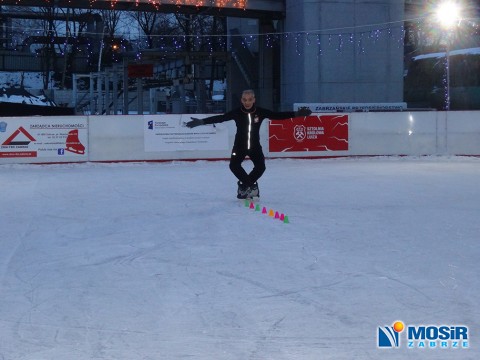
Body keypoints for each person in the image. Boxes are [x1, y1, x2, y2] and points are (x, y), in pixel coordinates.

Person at [186, 89, 311, 199]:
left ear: (254, 99)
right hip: (239, 146)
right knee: (234, 166)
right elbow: (220, 118)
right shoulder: (237, 112)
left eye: (250, 99)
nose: (247, 102)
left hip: (255, 146)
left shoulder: (260, 112)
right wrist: (202, 121)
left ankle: (244, 187)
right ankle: (250, 186)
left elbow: (277, 115)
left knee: (261, 167)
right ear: (241, 100)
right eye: (245, 100)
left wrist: (296, 114)